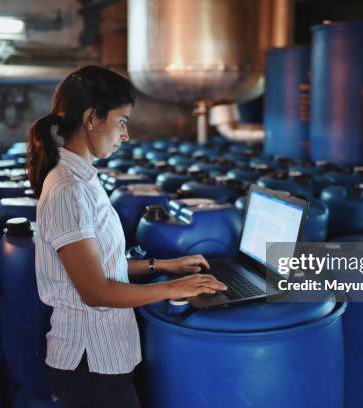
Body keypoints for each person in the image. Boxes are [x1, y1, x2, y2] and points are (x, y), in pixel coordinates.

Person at [26, 65, 226, 408]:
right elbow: (95, 291)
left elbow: (105, 264)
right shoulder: (67, 189)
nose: (126, 135)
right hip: (90, 365)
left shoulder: (84, 179)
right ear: (92, 118)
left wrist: (166, 265)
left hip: (105, 357)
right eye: (121, 121)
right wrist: (175, 288)